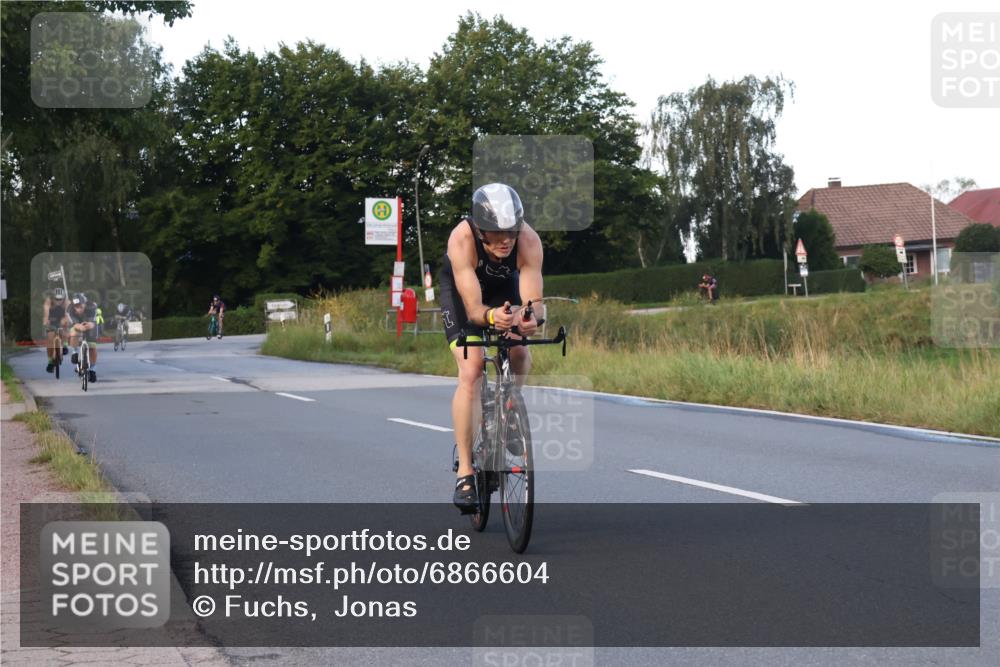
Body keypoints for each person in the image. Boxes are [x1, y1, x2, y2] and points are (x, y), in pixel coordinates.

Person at [438, 183, 543, 512]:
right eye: (497, 234)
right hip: (464, 297)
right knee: (472, 369)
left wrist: (530, 318)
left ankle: (508, 411)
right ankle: (466, 472)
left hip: (503, 289)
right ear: (480, 230)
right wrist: (489, 316)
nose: (506, 240)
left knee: (520, 350)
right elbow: (473, 311)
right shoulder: (462, 239)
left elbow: (535, 303)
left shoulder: (528, 241)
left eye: (511, 231)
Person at [67, 293, 98, 383]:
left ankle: (92, 369)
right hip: (77, 323)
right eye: (76, 306)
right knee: (74, 332)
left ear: (85, 303)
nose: (79, 308)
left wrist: (88, 326)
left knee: (92, 347)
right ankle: (74, 351)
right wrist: (80, 327)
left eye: (81, 306)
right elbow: (75, 324)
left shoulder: (91, 306)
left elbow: (92, 324)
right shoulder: (70, 309)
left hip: (90, 323)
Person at [43, 288, 70, 373]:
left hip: (62, 317)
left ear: (64, 298)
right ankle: (50, 361)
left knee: (65, 326)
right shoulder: (48, 301)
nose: (58, 301)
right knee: (50, 339)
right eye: (56, 299)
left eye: (60, 299)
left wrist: (65, 320)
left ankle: (65, 345)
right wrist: (46, 320)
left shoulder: (67, 302)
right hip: (52, 318)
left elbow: (67, 314)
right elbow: (46, 312)